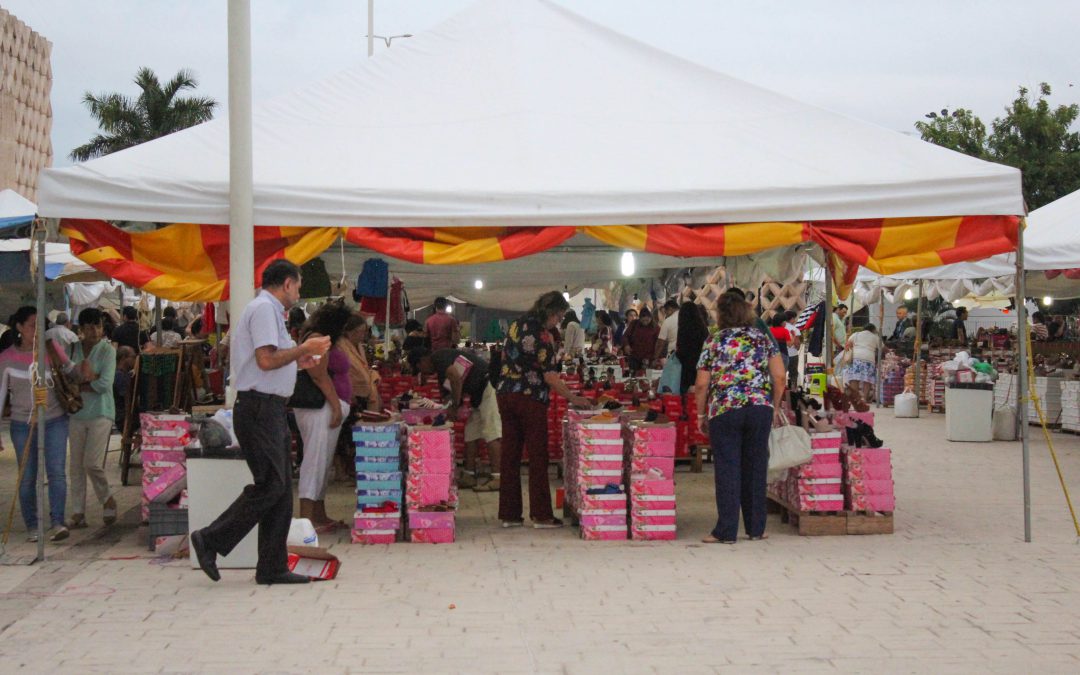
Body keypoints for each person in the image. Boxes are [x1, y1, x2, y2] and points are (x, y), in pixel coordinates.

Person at [191, 260, 330, 585]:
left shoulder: (270, 312)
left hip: (268, 408)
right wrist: (302, 349)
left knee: (280, 490)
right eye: (297, 286)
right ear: (286, 284)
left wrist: (299, 358)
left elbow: (269, 361)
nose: (298, 293)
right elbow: (266, 360)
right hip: (258, 408)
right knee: (271, 485)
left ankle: (272, 566)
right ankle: (211, 538)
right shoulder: (264, 309)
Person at [695, 292, 785, 544]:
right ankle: (756, 528)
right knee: (756, 467)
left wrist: (700, 414)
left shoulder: (714, 341)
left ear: (721, 315)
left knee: (728, 468)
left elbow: (702, 384)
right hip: (759, 408)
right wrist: (774, 406)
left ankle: (726, 530)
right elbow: (779, 377)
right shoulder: (763, 338)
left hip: (725, 410)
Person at [497, 291, 590, 529]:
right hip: (530, 398)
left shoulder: (517, 325)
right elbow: (550, 376)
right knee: (538, 457)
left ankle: (509, 514)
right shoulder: (542, 335)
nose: (558, 321)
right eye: (559, 317)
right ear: (551, 312)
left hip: (506, 394)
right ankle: (541, 515)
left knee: (510, 456)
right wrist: (573, 397)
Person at [0, 307, 73, 542]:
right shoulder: (7, 358)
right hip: (22, 423)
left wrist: (84, 371)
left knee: (57, 472)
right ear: (19, 327)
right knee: (27, 476)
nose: (37, 330)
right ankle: (32, 525)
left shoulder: (52, 350)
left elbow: (71, 371)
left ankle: (57, 522)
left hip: (55, 419)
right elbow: (1, 395)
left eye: (41, 325)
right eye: (32, 325)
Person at [292, 302, 353, 533]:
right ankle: (306, 520)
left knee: (323, 463)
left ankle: (318, 515)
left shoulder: (322, 338)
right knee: (315, 462)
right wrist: (336, 406)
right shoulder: (316, 339)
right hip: (320, 409)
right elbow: (319, 376)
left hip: (324, 408)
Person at [410, 346, 503, 492]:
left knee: (492, 432)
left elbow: (456, 379)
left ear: (422, 362)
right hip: (477, 393)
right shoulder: (439, 368)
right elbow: (447, 393)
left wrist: (455, 405)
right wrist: (444, 411)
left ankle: (498, 477)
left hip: (487, 385)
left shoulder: (439, 358)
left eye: (421, 369)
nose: (425, 373)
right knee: (470, 432)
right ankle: (469, 474)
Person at [68, 308, 118, 530]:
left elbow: (104, 384)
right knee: (76, 465)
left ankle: (106, 497)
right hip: (76, 413)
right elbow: (66, 379)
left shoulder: (107, 351)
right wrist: (88, 380)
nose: (94, 331)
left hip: (101, 413)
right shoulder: (72, 349)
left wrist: (82, 383)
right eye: (89, 327)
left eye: (98, 326)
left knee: (92, 463)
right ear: (81, 330)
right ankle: (78, 511)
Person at [338, 315, 381, 412]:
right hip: (350, 394)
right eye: (361, 331)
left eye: (364, 331)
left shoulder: (359, 346)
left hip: (364, 393)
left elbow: (363, 367)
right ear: (350, 332)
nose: (363, 335)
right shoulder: (341, 346)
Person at [675, 300, 709, 395]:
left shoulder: (683, 329)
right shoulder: (703, 328)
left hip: (686, 369)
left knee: (687, 398)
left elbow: (681, 351)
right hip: (701, 368)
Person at [843, 324, 881, 402]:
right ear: (873, 330)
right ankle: (864, 398)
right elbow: (882, 348)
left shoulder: (856, 334)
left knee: (854, 378)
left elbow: (847, 345)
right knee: (867, 379)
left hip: (856, 358)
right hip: (869, 359)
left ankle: (854, 398)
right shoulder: (875, 337)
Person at [622, 307, 659, 373]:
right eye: (643, 320)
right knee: (633, 377)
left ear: (651, 318)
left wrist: (655, 359)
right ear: (640, 318)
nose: (645, 322)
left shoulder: (656, 328)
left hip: (648, 358)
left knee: (645, 378)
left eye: (647, 320)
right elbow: (625, 336)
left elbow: (659, 343)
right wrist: (626, 345)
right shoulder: (634, 324)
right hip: (634, 356)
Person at [113, 346, 137, 429]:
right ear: (124, 358)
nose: (135, 360)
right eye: (133, 357)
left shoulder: (119, 373)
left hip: (120, 417)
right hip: (123, 418)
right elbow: (127, 400)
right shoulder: (120, 376)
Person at [654, 298, 680, 363]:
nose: (666, 315)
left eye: (666, 312)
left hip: (673, 355)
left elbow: (660, 343)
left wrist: (655, 358)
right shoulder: (688, 318)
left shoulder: (668, 321)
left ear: (670, 309)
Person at [782, 310, 802, 390]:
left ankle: (782, 391)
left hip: (782, 355)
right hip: (793, 355)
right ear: (792, 318)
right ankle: (793, 391)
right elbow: (797, 343)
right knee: (793, 374)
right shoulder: (794, 329)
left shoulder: (781, 328)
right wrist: (798, 347)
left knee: (782, 373)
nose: (795, 320)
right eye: (794, 318)